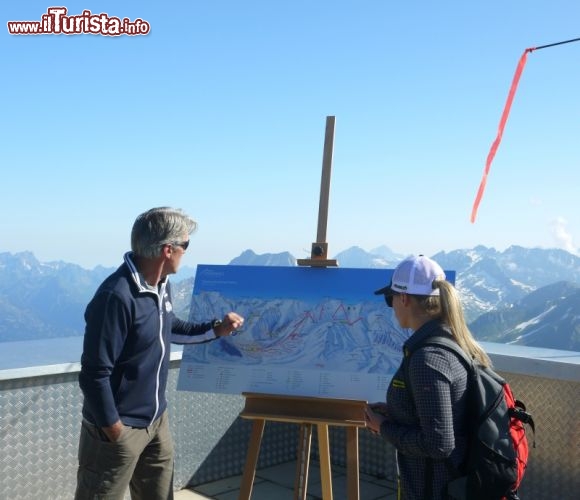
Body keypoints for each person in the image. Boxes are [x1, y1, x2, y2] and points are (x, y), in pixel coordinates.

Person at [75, 207, 244, 500]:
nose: (185, 253)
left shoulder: (160, 285)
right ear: (168, 250)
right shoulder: (116, 297)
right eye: (185, 245)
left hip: (156, 422)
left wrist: (217, 329)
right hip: (118, 429)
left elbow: (170, 329)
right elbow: (94, 374)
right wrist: (114, 430)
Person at [365, 255, 491, 500]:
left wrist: (383, 427)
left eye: (390, 299)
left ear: (404, 298)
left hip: (433, 490)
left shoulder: (427, 359)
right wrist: (396, 412)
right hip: (450, 483)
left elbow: (438, 444)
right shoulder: (452, 340)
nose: (391, 306)